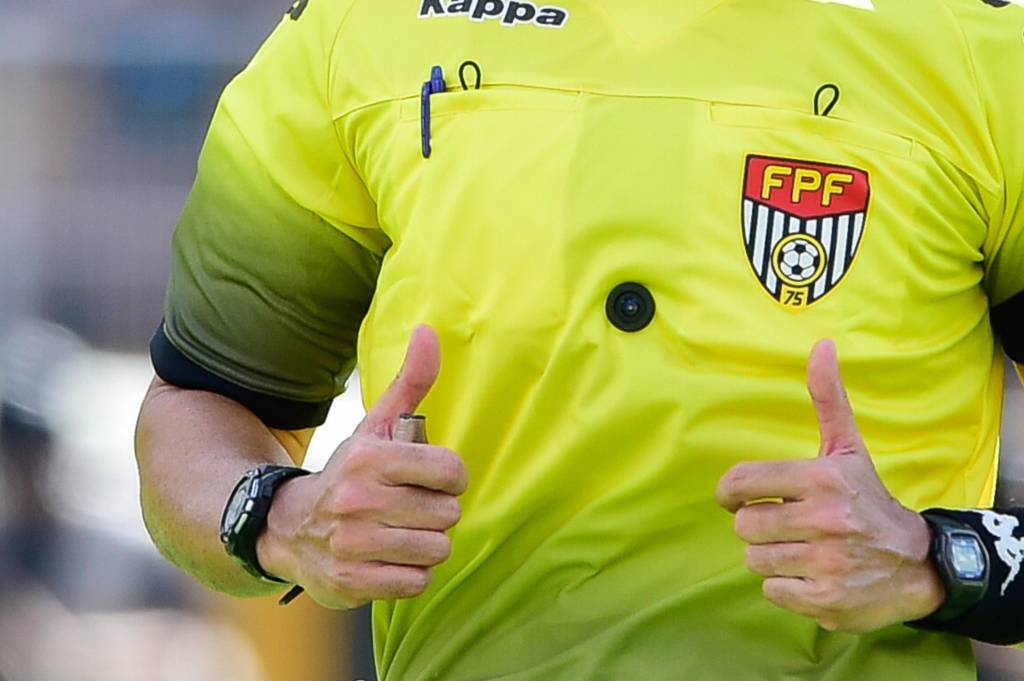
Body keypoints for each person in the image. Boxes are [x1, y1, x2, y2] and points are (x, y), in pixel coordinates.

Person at [134, 1, 1024, 679]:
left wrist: (937, 558)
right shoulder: (364, 24)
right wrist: (282, 520)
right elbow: (200, 403)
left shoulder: (983, 45)